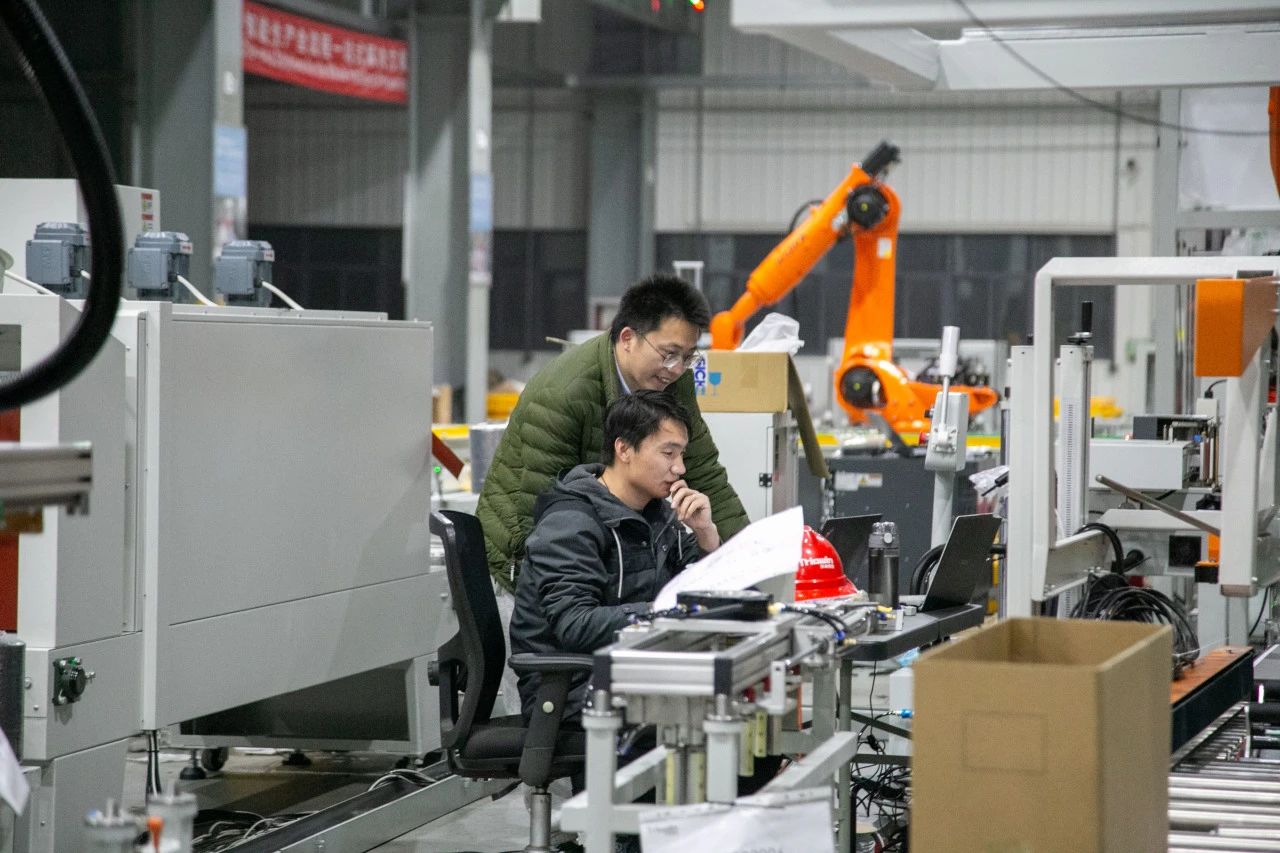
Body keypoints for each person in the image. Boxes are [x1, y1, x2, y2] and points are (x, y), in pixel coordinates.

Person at [477, 273, 748, 594]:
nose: (677, 368)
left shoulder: (673, 381)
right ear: (628, 338)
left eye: (688, 357)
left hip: (601, 555)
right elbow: (542, 513)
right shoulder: (564, 393)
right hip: (523, 563)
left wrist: (747, 559)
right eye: (669, 353)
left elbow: (704, 471)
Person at [509, 390, 719, 720]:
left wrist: (706, 534)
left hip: (629, 670)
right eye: (668, 453)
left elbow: (703, 587)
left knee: (734, 695)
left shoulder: (658, 515)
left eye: (682, 455)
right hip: (572, 690)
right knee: (717, 710)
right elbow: (575, 625)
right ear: (624, 449)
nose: (679, 468)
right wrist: (666, 612)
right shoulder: (571, 523)